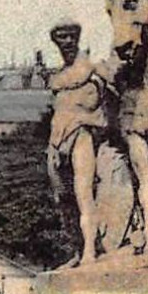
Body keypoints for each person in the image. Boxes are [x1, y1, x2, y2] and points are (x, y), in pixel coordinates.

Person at [46, 21, 113, 267]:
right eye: (60, 38)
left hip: (82, 134)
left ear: (77, 38)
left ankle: (89, 251)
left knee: (83, 192)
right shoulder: (58, 78)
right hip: (57, 140)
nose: (66, 42)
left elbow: (113, 98)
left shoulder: (94, 70)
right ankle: (77, 249)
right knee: (63, 198)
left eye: (70, 36)